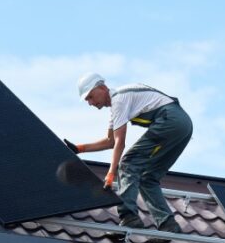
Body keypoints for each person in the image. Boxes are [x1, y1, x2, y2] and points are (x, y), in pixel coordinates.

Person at [67, 73, 193, 233]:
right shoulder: (118, 105)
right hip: (183, 125)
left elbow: (120, 142)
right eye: (87, 100)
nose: (90, 103)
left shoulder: (119, 99)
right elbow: (110, 141)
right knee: (148, 178)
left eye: (91, 97)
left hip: (170, 120)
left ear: (102, 88)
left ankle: (129, 217)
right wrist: (79, 149)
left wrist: (112, 172)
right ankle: (168, 225)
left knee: (128, 163)